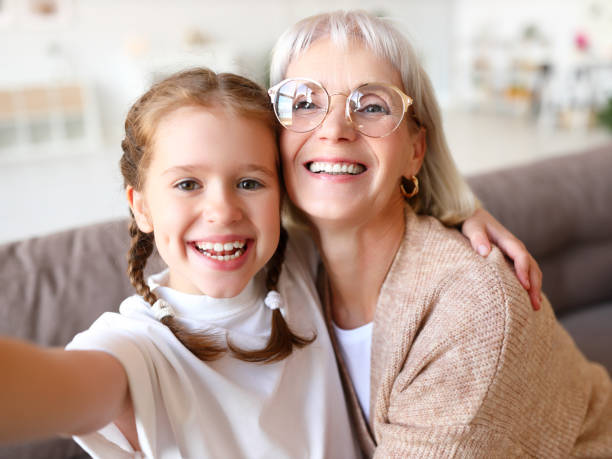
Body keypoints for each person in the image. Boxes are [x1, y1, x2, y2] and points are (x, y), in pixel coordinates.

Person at [267, 10, 612, 457]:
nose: (334, 130)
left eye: (372, 106)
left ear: (415, 151)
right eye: (305, 103)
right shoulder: (290, 266)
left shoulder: (474, 307)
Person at [0, 68, 360, 458]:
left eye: (249, 183)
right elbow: (60, 389)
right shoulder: (134, 346)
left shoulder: (304, 264)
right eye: (188, 184)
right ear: (141, 207)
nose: (223, 211)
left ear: (282, 196)